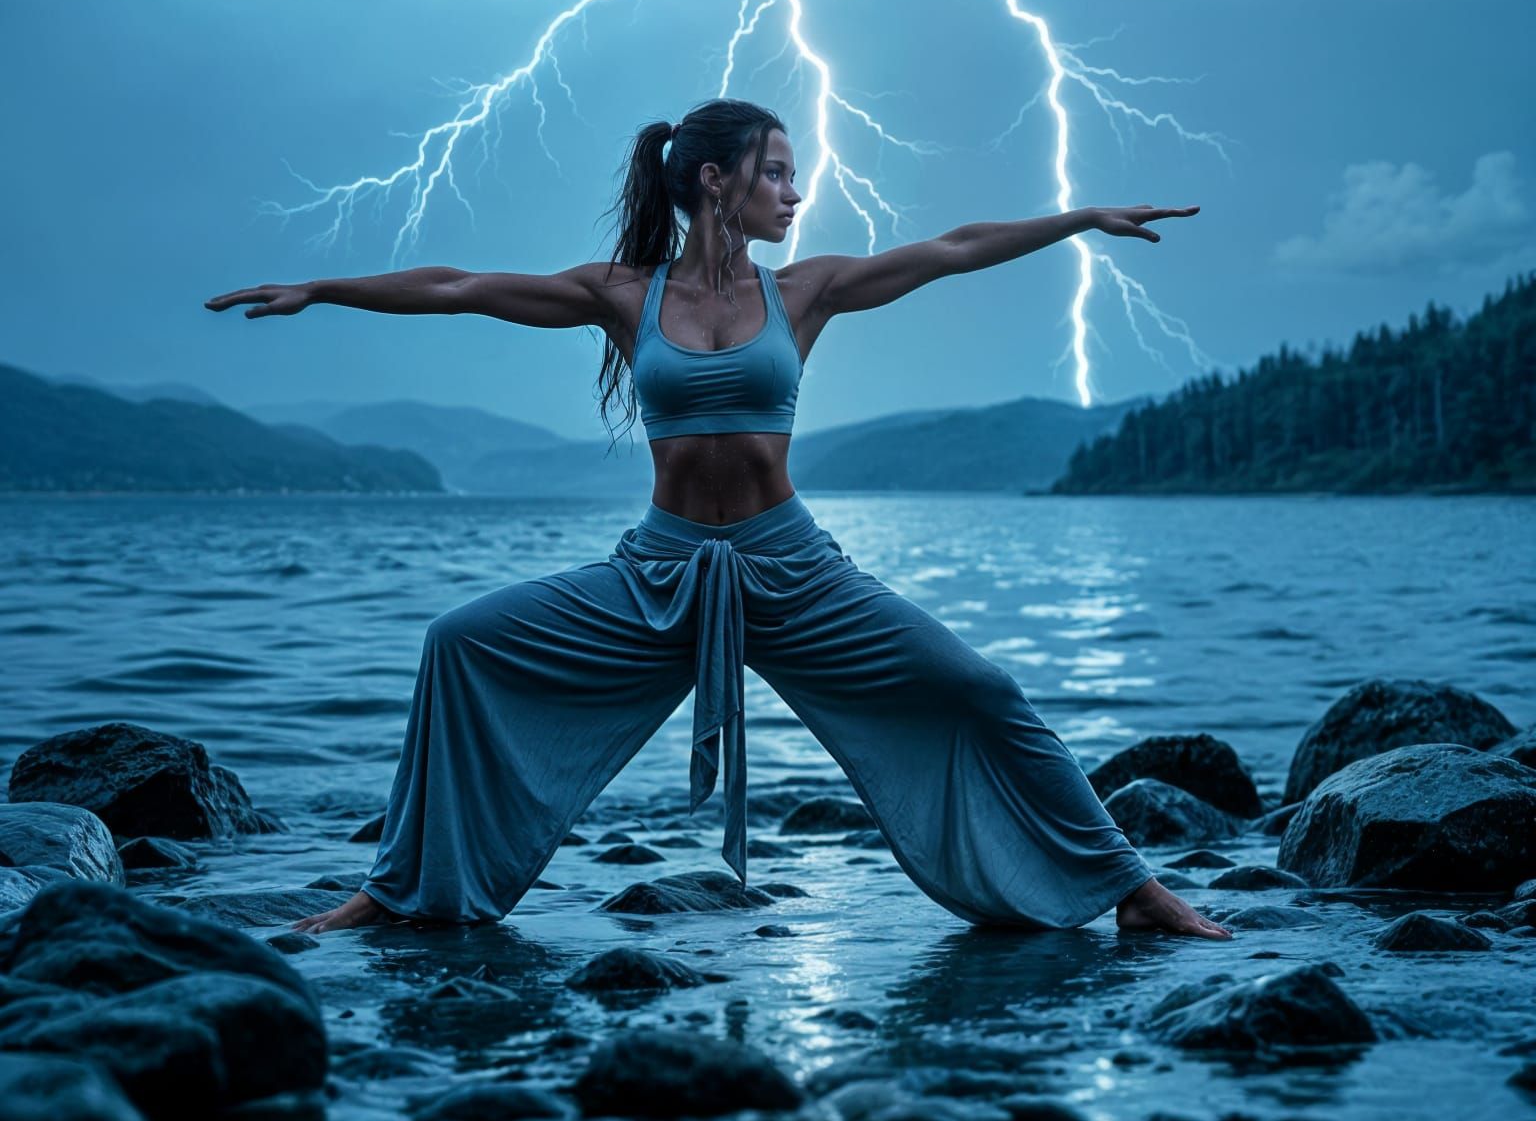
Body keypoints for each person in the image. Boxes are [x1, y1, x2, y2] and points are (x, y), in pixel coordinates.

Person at [205, 97, 1229, 941]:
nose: (794, 191)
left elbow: (953, 249)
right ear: (713, 180)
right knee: (460, 644)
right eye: (776, 171)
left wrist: (1080, 218)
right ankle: (400, 892)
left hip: (794, 575)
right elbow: (464, 286)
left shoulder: (807, 290)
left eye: (793, 174)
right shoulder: (623, 294)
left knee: (978, 689)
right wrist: (323, 289)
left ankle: (1130, 890)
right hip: (654, 576)